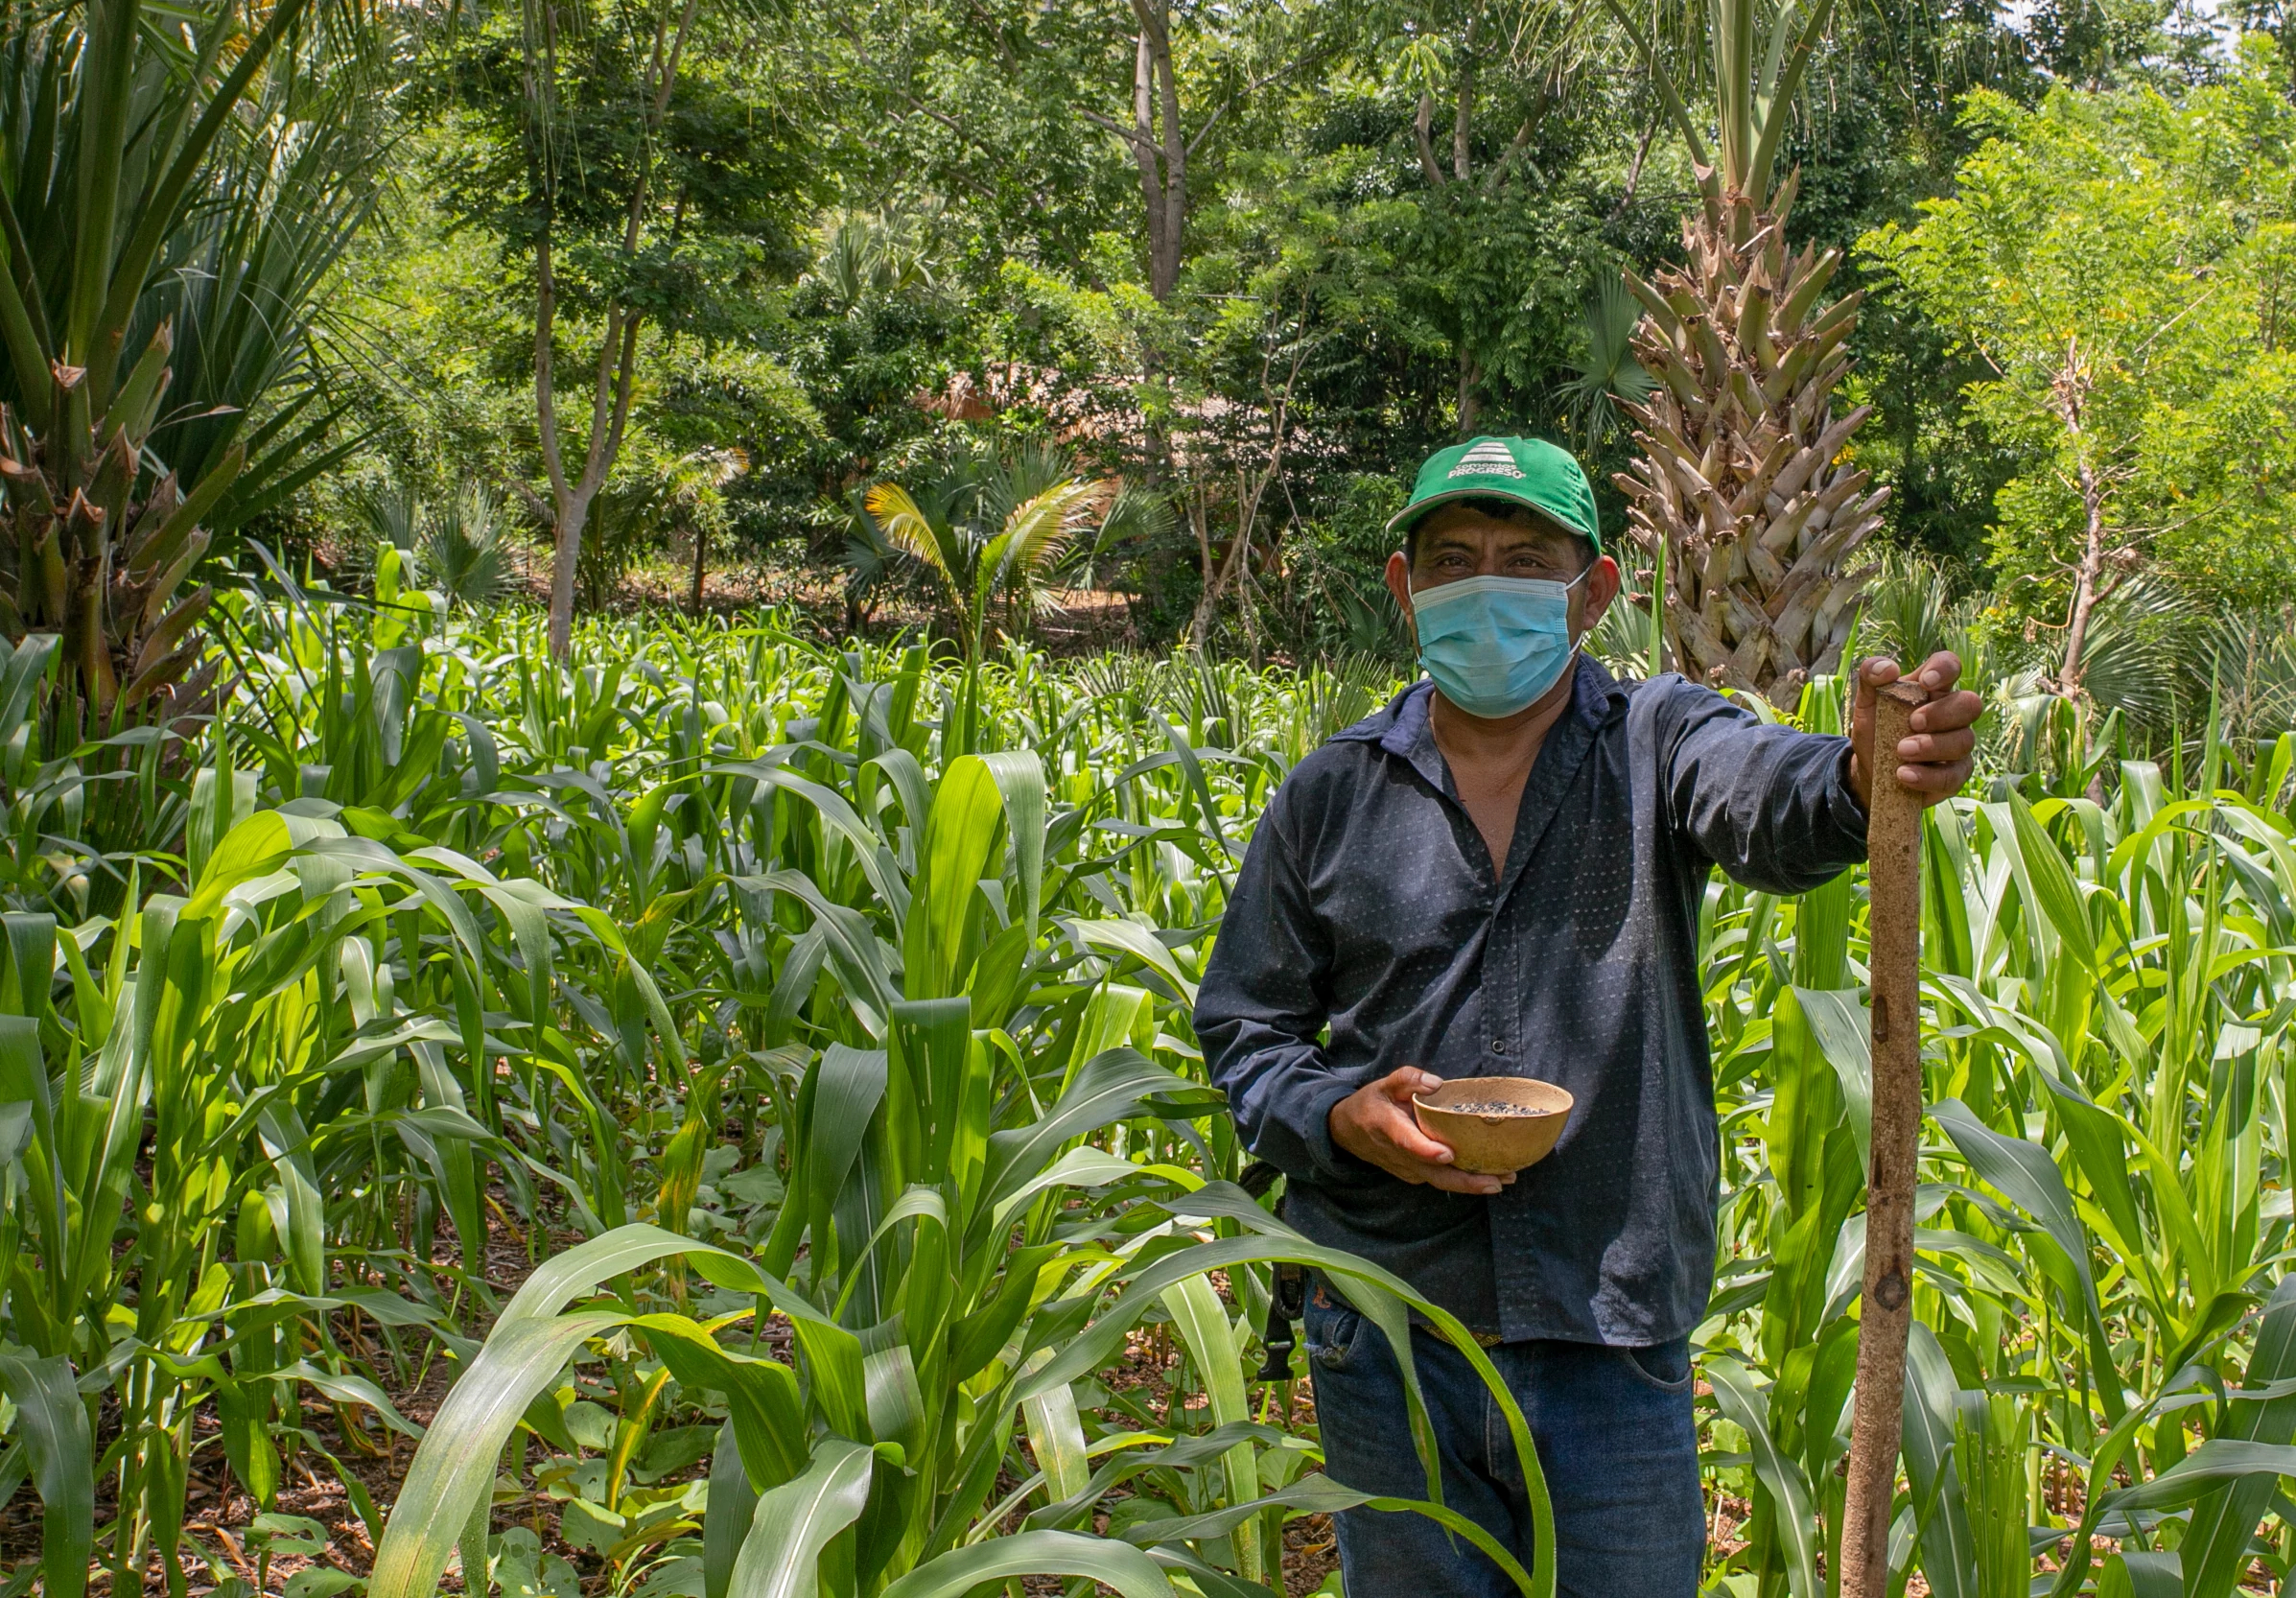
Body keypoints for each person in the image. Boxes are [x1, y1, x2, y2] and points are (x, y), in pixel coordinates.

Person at [1192, 435, 1983, 1597]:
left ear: (1592, 590)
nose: (1485, 584)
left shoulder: (1660, 742)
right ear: (1406, 588)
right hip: (1389, 1329)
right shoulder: (1330, 796)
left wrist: (1856, 779)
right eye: (1453, 559)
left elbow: (1765, 793)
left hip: (1609, 1336)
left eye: (1524, 559)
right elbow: (1244, 1028)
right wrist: (1337, 1112)